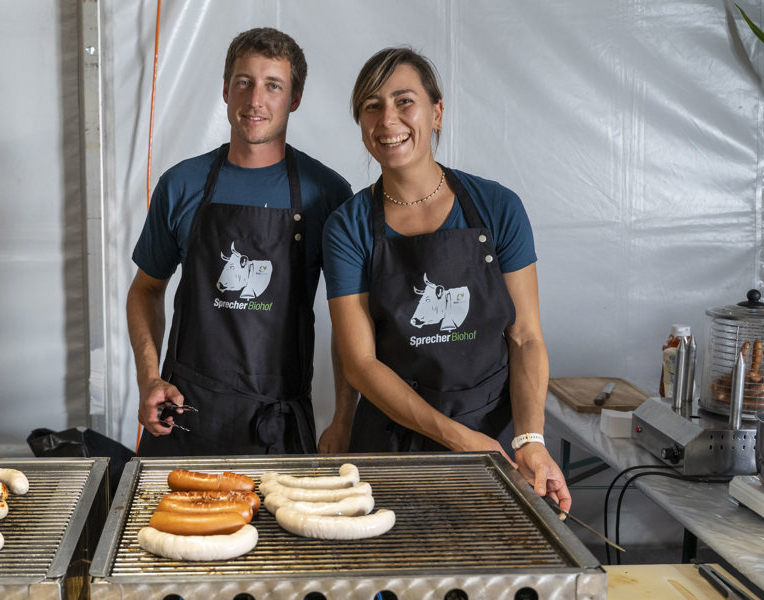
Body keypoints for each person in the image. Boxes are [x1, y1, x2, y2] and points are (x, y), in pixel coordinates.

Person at [322, 47, 571, 510]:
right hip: (392, 445)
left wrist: (530, 438)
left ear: (436, 112)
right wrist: (459, 439)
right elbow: (360, 363)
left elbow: (525, 338)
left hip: (496, 438)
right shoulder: (348, 225)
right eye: (371, 106)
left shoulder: (497, 207)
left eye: (404, 101)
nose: (387, 119)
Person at [127, 27, 356, 457]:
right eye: (243, 82)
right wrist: (148, 378)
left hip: (278, 427)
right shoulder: (181, 185)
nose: (255, 101)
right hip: (184, 417)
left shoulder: (326, 194)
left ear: (295, 98)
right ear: (226, 90)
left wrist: (344, 417)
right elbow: (146, 288)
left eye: (273, 86)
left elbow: (350, 320)